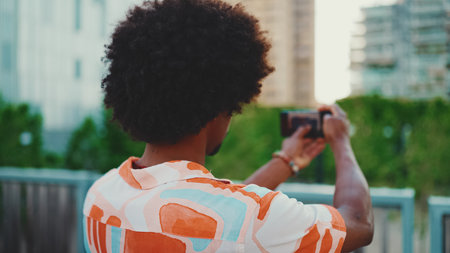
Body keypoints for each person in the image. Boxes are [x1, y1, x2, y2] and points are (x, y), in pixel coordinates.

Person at [83, 0, 374, 252]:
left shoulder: (101, 195)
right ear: (220, 106)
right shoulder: (248, 220)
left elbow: (222, 210)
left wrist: (287, 161)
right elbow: (358, 223)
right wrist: (341, 142)